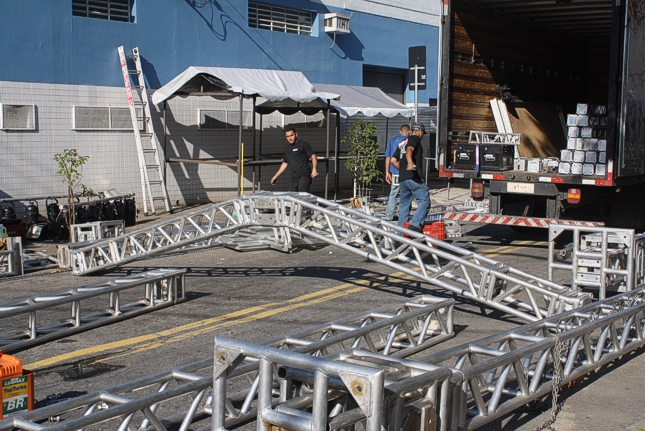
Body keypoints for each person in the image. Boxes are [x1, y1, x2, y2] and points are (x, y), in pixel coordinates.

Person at [391, 122, 430, 233]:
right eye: (423, 134)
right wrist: (410, 163)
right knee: (424, 200)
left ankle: (400, 235)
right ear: (421, 131)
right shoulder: (414, 139)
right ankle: (415, 225)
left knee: (404, 206)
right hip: (414, 177)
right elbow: (409, 150)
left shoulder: (403, 142)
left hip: (403, 179)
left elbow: (393, 160)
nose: (422, 136)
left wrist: (403, 170)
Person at [271, 126, 319, 192]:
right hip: (294, 177)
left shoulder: (303, 144)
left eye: (291, 135)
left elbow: (313, 156)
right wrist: (275, 176)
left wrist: (314, 169)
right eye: (287, 136)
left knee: (302, 192)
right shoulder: (288, 148)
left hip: (304, 175)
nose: (290, 138)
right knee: (291, 194)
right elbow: (285, 163)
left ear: (296, 134)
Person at [384, 124, 411, 221]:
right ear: (409, 131)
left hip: (395, 171)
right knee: (407, 194)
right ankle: (404, 216)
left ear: (400, 131)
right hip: (407, 172)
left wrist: (387, 172)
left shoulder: (392, 140)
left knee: (393, 194)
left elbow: (388, 157)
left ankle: (389, 216)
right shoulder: (410, 141)